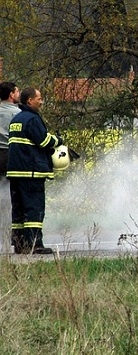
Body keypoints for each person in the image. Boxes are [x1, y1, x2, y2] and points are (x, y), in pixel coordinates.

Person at [7, 87, 62, 254]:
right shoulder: (32, 119)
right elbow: (44, 141)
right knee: (34, 209)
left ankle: (20, 244)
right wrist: (58, 140)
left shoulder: (16, 119)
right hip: (31, 172)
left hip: (16, 173)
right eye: (39, 98)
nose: (42, 101)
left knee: (19, 210)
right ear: (30, 100)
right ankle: (35, 244)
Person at [0, 82, 20, 253]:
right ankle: (11, 234)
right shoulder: (19, 113)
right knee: (11, 196)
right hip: (10, 156)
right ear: (12, 95)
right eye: (17, 91)